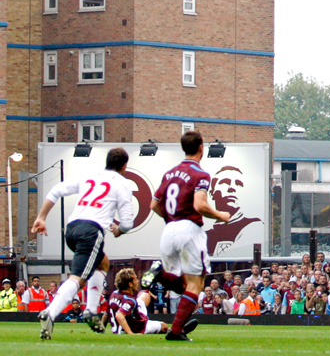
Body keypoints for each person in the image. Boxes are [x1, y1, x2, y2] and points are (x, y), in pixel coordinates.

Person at [31, 147, 135, 339]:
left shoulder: (92, 176)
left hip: (72, 229)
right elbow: (128, 223)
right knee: (77, 279)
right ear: (124, 166)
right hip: (91, 233)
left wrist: (41, 217)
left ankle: (91, 311)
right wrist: (119, 230)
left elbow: (56, 190)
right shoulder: (122, 184)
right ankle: (50, 314)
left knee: (102, 263)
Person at [143, 131, 231, 341]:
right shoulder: (200, 174)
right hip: (189, 229)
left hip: (169, 228)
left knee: (184, 286)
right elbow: (199, 205)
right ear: (202, 147)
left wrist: (172, 219)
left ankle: (160, 274)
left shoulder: (170, 173)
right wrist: (221, 215)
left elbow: (154, 204)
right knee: (196, 285)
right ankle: (175, 331)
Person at [110, 268, 184, 336]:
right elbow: (119, 315)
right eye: (135, 279)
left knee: (145, 295)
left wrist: (102, 327)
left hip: (131, 318)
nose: (138, 281)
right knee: (163, 326)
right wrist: (130, 333)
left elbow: (107, 314)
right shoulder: (130, 301)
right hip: (140, 326)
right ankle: (174, 332)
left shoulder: (114, 294)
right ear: (130, 284)